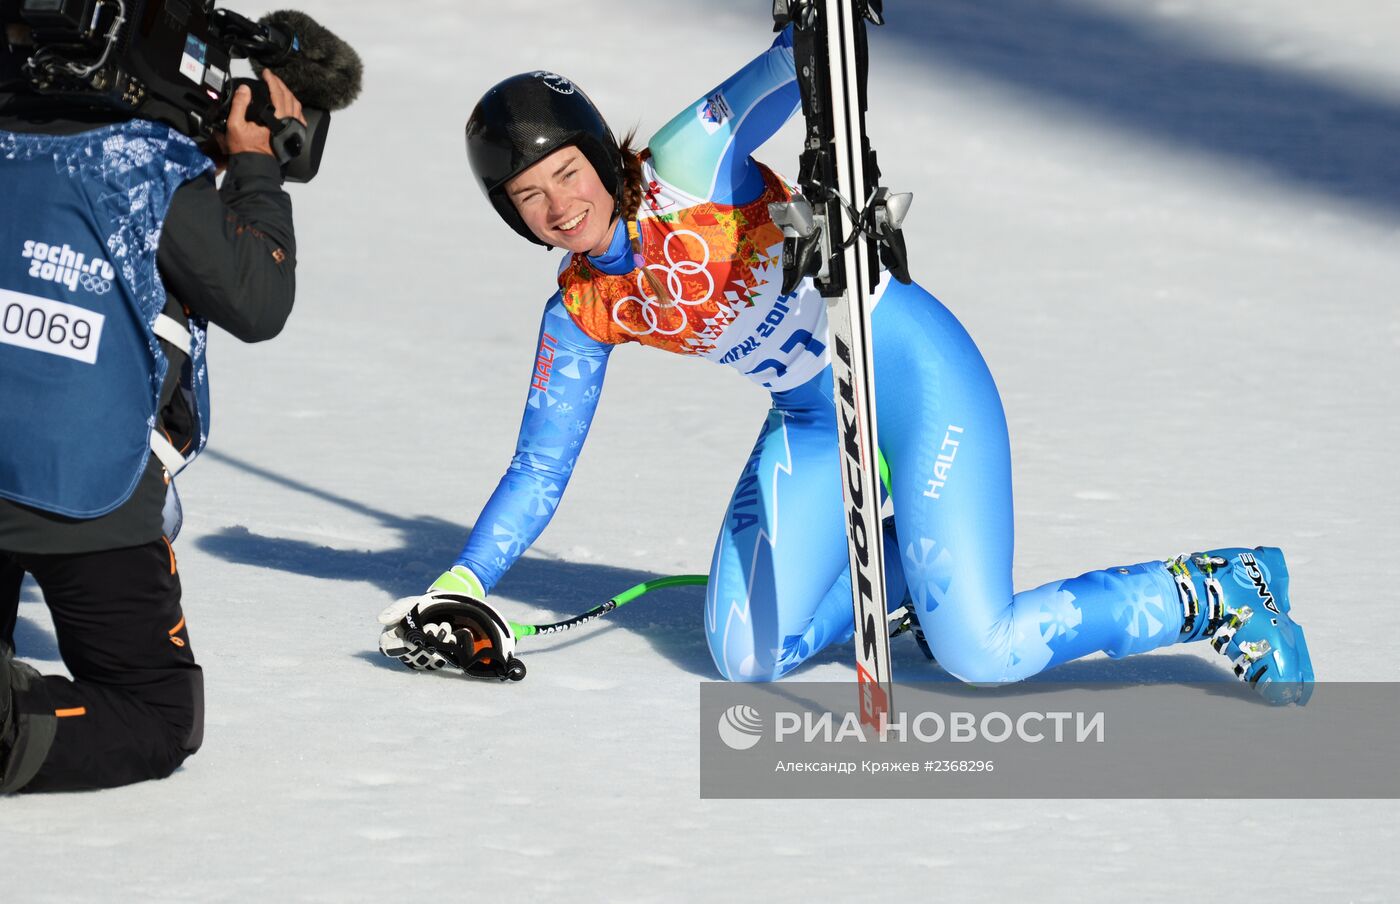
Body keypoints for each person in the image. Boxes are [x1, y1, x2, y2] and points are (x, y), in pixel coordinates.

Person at [378, 29, 1313, 703]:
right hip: (813, 422)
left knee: (984, 653)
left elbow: (799, 63)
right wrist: (462, 583)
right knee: (744, 654)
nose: (557, 206)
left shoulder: (681, 165)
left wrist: (807, 30)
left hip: (910, 378)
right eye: (527, 197)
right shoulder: (581, 309)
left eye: (567, 174)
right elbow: (541, 466)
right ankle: (912, 569)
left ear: (598, 156)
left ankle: (1219, 589)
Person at [0, 56, 304, 791]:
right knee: (158, 714)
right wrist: (257, 168)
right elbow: (258, 300)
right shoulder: (140, 164)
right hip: (83, 488)